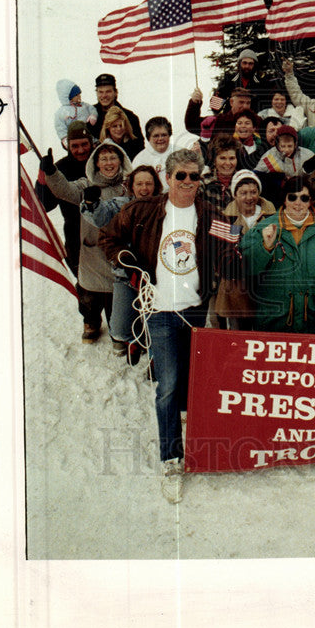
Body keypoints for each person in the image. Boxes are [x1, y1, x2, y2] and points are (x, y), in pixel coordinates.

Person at [99, 148, 217, 504]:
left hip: (196, 309)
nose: (187, 183)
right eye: (180, 176)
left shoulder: (209, 213)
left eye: (194, 176)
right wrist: (129, 260)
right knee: (167, 384)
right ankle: (171, 458)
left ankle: (186, 428)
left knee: (192, 378)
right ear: (167, 177)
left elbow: (231, 247)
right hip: (161, 311)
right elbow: (108, 238)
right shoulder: (142, 210)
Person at [42, 139, 132, 343]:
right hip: (92, 255)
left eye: (113, 158)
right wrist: (51, 173)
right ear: (96, 163)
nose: (109, 163)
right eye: (104, 159)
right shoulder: (86, 185)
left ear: (121, 160)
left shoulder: (129, 186)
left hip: (119, 255)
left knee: (116, 299)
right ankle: (90, 321)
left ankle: (118, 328)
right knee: (89, 297)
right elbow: (64, 190)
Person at [80, 165, 163, 360]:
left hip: (157, 278)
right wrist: (92, 203)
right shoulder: (122, 205)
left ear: (156, 186)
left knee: (159, 327)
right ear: (131, 186)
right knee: (118, 329)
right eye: (140, 183)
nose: (144, 188)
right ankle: (134, 339)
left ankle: (155, 356)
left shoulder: (163, 206)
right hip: (127, 276)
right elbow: (100, 216)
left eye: (148, 183)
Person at [239, 175, 315, 333]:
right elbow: (247, 270)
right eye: (292, 197)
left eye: (304, 198)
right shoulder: (261, 229)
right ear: (284, 200)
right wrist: (265, 247)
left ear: (311, 201)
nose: (298, 203)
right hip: (274, 323)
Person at [213, 170, 276, 330]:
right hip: (236, 291)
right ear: (235, 195)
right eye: (243, 193)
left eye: (253, 192)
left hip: (265, 286)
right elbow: (218, 254)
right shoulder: (225, 218)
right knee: (237, 339)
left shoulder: (271, 215)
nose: (249, 197)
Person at [35, 120, 93, 277]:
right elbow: (44, 205)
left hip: (103, 239)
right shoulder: (59, 169)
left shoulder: (102, 162)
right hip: (76, 242)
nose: (80, 150)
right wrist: (44, 175)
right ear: (68, 146)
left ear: (91, 142)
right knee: (87, 292)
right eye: (75, 146)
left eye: (84, 144)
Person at [94, 72, 143, 141]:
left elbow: (139, 146)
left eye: (108, 91)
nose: (104, 95)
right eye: (100, 92)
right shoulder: (88, 115)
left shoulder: (130, 117)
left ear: (115, 92)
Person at [202, 134, 242, 215]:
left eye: (232, 158)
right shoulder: (204, 181)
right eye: (222, 158)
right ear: (214, 160)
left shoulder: (243, 180)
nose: (227, 163)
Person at [132, 117, 175, 188]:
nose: (160, 139)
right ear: (149, 138)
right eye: (156, 136)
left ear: (169, 135)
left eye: (164, 135)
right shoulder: (139, 159)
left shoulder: (180, 153)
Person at [54, 79, 98, 147]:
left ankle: (94, 143)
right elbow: (60, 126)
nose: (79, 96)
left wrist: (93, 116)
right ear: (69, 97)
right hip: (74, 138)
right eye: (76, 95)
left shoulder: (84, 105)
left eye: (79, 94)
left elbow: (92, 109)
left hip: (88, 132)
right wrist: (64, 138)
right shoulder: (62, 112)